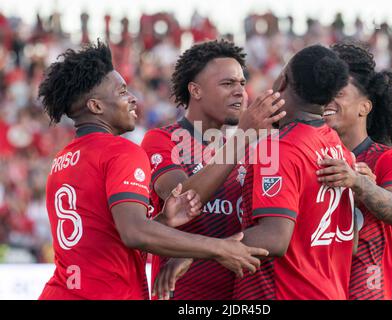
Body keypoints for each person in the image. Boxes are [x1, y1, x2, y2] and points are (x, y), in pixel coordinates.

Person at [37, 40, 269, 300]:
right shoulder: (123, 151)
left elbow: (106, 233)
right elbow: (134, 232)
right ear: (96, 106)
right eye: (122, 92)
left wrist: (163, 222)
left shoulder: (63, 159)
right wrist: (218, 248)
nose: (133, 98)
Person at [141, 39, 285, 300]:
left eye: (242, 83)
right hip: (185, 296)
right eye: (228, 83)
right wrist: (242, 138)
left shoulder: (251, 149)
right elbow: (182, 198)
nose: (240, 91)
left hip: (245, 296)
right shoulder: (162, 140)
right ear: (196, 90)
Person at [232, 44, 355, 300]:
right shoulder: (337, 146)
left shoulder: (279, 147)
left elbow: (274, 238)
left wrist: (200, 249)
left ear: (283, 80)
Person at [317, 41, 392, 300]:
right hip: (319, 289)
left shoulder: (387, 158)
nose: (328, 99)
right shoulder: (312, 155)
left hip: (367, 292)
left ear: (364, 107)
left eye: (339, 92)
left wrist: (359, 183)